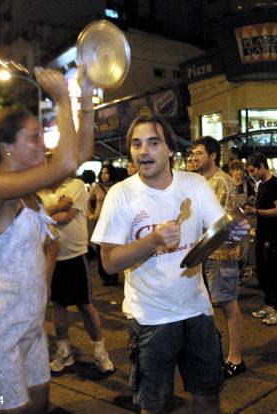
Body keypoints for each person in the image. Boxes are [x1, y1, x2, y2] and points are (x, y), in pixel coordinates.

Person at [91, 113, 249, 414]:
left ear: (169, 150)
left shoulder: (194, 184)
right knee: (153, 404)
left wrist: (235, 230)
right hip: (150, 319)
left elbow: (219, 228)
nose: (144, 151)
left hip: (198, 311)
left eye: (153, 142)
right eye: (136, 144)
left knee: (209, 396)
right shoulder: (120, 195)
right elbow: (109, 262)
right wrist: (152, 241)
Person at [0, 67, 94, 412]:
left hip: (29, 328)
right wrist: (62, 98)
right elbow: (65, 162)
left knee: (40, 405)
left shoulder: (29, 193)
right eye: (34, 137)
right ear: (7, 147)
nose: (42, 143)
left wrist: (87, 99)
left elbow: (77, 157)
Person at [39, 177, 115, 374]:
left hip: (74, 255)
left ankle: (100, 353)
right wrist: (58, 206)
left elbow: (66, 217)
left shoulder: (77, 186)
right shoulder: (40, 189)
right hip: (49, 257)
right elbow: (33, 217)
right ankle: (64, 352)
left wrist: (44, 214)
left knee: (85, 304)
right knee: (58, 305)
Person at [191, 136, 246, 378]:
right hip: (202, 253)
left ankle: (236, 358)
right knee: (210, 305)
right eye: (193, 153)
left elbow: (222, 222)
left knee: (228, 303)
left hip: (221, 254)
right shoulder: (198, 182)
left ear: (213, 156)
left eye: (199, 153)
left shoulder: (222, 182)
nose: (194, 157)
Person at [245, 152, 277, 325]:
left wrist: (255, 211)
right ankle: (269, 304)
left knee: (275, 270)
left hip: (274, 235)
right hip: (262, 233)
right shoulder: (261, 185)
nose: (251, 174)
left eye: (253, 170)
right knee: (262, 270)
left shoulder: (276, 184)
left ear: (262, 166)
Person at [88, 163, 119, 285]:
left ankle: (114, 275)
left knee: (115, 249)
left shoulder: (117, 186)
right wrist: (90, 215)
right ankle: (104, 276)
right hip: (100, 221)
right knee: (102, 249)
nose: (104, 175)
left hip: (115, 221)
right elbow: (88, 201)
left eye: (107, 173)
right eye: (102, 173)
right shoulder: (96, 187)